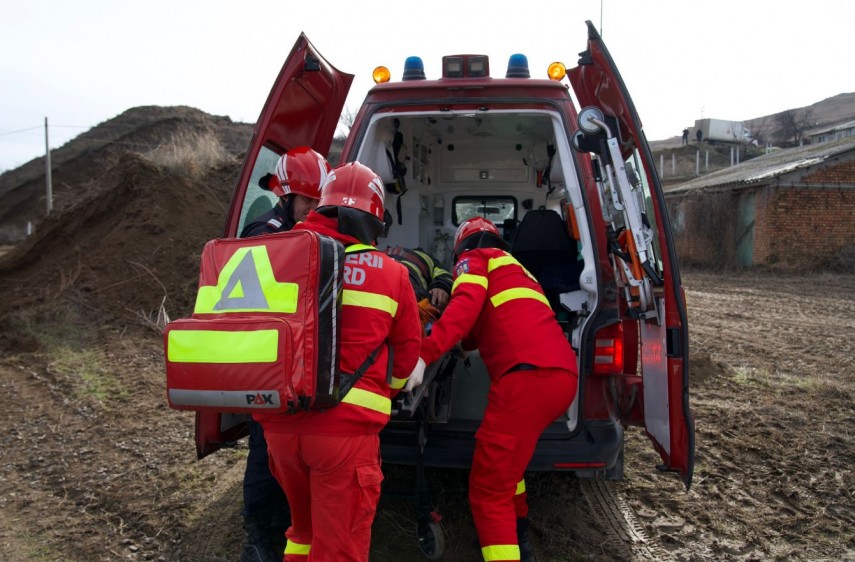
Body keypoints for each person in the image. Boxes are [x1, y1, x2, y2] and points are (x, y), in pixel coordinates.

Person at [255, 161, 423, 562]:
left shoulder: (274, 255)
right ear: (374, 219)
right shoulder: (392, 274)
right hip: (343, 437)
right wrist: (391, 389)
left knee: (303, 532)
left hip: (280, 429)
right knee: (339, 548)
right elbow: (406, 357)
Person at [416, 217, 578, 562]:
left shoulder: (475, 259)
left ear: (462, 246)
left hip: (525, 382)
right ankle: (521, 542)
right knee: (509, 472)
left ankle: (509, 551)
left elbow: (465, 306)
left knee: (488, 492)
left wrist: (424, 353)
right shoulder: (516, 268)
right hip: (560, 378)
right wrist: (460, 342)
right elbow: (479, 326)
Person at [238, 146, 331, 562]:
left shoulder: (310, 231)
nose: (313, 208)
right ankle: (259, 537)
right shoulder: (265, 231)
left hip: (296, 359)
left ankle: (289, 527)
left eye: (319, 201)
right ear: (286, 194)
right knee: (266, 452)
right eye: (308, 200)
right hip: (266, 360)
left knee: (292, 453)